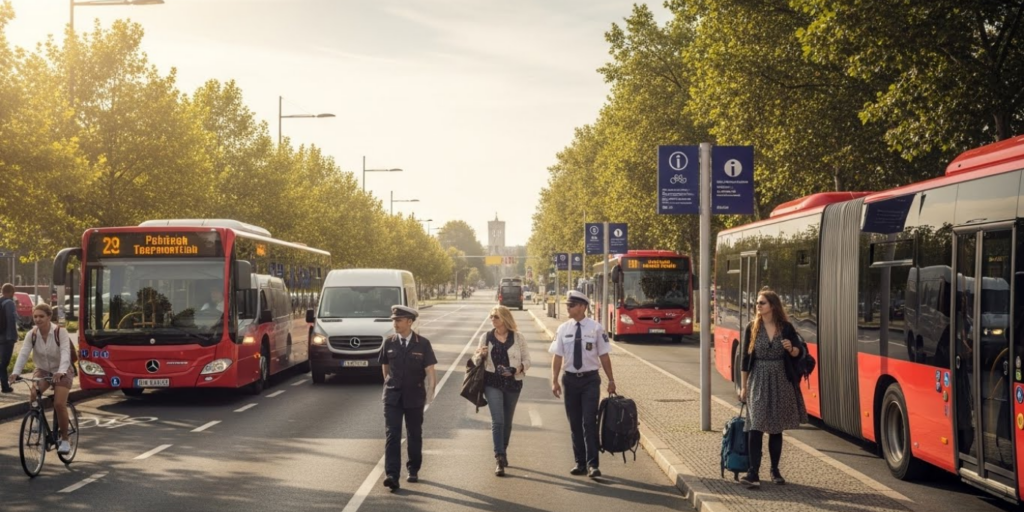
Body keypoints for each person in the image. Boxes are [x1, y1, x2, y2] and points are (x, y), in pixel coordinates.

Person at [738, 287, 808, 488]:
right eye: (757, 303)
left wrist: (791, 349)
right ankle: (753, 472)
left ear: (772, 306)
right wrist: (744, 387)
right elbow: (745, 359)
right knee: (756, 425)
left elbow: (799, 352)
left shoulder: (786, 328)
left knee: (776, 428)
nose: (758, 306)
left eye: (762, 302)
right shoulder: (752, 327)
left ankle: (775, 470)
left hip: (780, 379)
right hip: (758, 379)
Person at [549, 290, 615, 478]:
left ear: (582, 307)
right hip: (570, 380)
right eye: (567, 305)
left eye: (571, 305)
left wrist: (611, 380)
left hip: (590, 380)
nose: (567, 308)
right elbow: (557, 356)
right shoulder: (563, 329)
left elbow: (604, 356)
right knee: (575, 423)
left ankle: (593, 464)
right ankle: (580, 463)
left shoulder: (596, 328)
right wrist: (554, 380)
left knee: (589, 422)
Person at [379, 305, 437, 491]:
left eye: (398, 320)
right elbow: (385, 368)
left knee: (414, 434)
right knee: (392, 434)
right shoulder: (389, 343)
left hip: (414, 396)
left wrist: (431, 392)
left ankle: (413, 469)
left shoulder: (423, 344)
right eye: (393, 320)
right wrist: (390, 384)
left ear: (410, 322)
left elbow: (430, 370)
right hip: (393, 397)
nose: (394, 323)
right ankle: (392, 475)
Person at [472, 305, 532, 476]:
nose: (492, 319)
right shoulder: (486, 337)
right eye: (491, 316)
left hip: (513, 384)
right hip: (492, 383)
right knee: (497, 420)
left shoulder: (518, 338)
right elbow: (476, 359)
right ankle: (499, 457)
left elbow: (528, 360)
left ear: (505, 318)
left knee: (507, 421)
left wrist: (516, 369)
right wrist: (480, 355)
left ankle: (503, 449)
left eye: (496, 316)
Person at [9, 304, 74, 454]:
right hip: (43, 369)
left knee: (59, 404)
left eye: (41, 316)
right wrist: (15, 373)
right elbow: (23, 354)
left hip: (62, 369)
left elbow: (66, 353)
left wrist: (61, 371)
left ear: (49, 317)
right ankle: (38, 420)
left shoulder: (60, 332)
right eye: (35, 316)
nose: (38, 319)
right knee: (33, 394)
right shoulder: (31, 334)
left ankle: (65, 440)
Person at [0, 283, 17, 393]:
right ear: (11, 292)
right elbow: (12, 319)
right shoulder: (9, 303)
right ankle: (5, 387)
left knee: (3, 362)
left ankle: (5, 385)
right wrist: (13, 337)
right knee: (4, 363)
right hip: (7, 337)